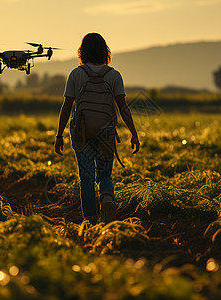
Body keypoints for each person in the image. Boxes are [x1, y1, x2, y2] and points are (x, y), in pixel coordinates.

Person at [55, 32, 140, 224]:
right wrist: (134, 133)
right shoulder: (114, 75)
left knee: (86, 177)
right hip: (106, 132)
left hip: (81, 132)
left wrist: (59, 135)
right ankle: (107, 199)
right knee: (105, 174)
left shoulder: (76, 74)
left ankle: (90, 220)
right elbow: (123, 107)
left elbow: (67, 106)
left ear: (82, 51)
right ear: (105, 51)